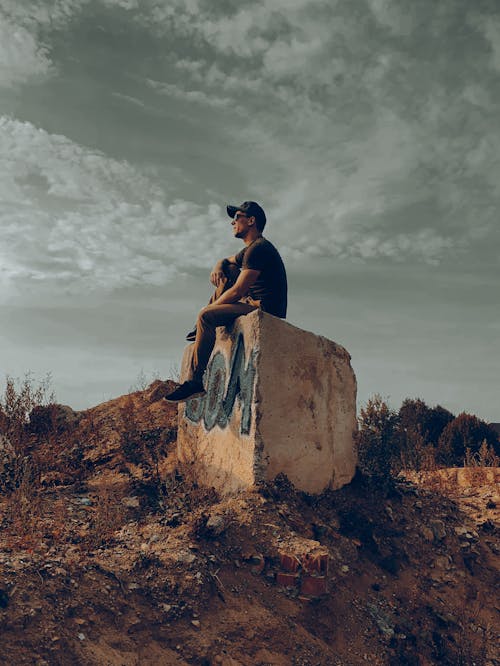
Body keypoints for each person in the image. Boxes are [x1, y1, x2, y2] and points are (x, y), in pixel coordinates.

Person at [165, 200, 287, 402]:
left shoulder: (259, 249)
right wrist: (218, 264)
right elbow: (228, 261)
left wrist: (209, 309)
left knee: (206, 316)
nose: (232, 222)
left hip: (265, 309)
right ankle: (200, 327)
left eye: (236, 218)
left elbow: (239, 290)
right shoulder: (250, 249)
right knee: (229, 270)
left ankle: (194, 382)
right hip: (252, 303)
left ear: (251, 220)